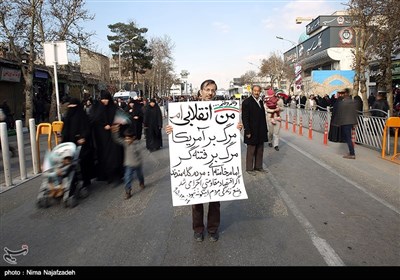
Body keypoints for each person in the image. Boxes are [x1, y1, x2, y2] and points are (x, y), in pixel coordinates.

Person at [165, 79, 242, 242]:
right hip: (195, 161)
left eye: (213, 90)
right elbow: (178, 129)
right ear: (200, 91)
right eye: (207, 89)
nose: (210, 93)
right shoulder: (186, 109)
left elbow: (227, 129)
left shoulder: (222, 110)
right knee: (196, 198)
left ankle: (213, 229)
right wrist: (171, 129)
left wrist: (236, 128)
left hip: (216, 161)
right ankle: (198, 229)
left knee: (215, 198)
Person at [61, 98, 95, 189]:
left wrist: (83, 137)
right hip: (70, 144)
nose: (72, 109)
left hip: (82, 144)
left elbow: (87, 128)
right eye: (70, 107)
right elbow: (65, 130)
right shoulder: (67, 117)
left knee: (83, 162)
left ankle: (86, 181)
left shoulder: (83, 116)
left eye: (74, 107)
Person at [111, 125, 144, 199]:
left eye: (129, 139)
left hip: (137, 164)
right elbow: (117, 139)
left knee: (140, 175)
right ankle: (128, 191)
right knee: (127, 177)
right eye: (126, 138)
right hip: (129, 164)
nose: (127, 140)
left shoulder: (137, 144)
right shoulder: (125, 143)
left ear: (133, 138)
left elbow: (140, 153)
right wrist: (115, 131)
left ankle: (141, 182)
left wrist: (140, 161)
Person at [242, 85, 268, 175]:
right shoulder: (247, 102)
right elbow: (245, 118)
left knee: (260, 149)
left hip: (261, 130)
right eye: (255, 91)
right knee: (251, 150)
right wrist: (247, 131)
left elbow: (263, 117)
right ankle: (249, 168)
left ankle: (258, 166)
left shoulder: (260, 101)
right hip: (251, 131)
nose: (256, 92)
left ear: (260, 92)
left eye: (258, 91)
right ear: (252, 91)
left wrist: (265, 130)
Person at [336, 88, 358, 159]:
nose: (341, 95)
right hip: (351, 122)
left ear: (345, 94)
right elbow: (355, 113)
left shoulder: (342, 103)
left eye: (342, 93)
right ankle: (351, 152)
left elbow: (340, 113)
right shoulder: (353, 102)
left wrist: (338, 122)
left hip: (345, 122)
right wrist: (355, 122)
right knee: (349, 137)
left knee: (348, 138)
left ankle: (352, 153)